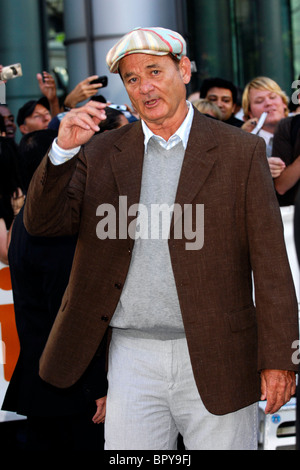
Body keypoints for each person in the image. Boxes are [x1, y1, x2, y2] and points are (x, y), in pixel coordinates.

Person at [23, 27, 299, 451]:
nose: (145, 87)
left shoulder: (238, 151)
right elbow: (41, 223)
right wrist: (60, 153)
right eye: (132, 79)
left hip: (220, 352)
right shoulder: (99, 152)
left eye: (155, 71)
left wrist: (281, 359)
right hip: (131, 357)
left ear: (184, 69)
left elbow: (271, 265)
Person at [2, 129, 107, 450]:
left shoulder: (26, 221)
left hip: (48, 386)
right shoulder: (54, 228)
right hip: (73, 394)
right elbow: (71, 316)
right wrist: (96, 387)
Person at [241, 76, 289, 157]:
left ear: (284, 102)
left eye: (272, 97)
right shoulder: (245, 147)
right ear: (250, 112)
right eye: (259, 101)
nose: (268, 103)